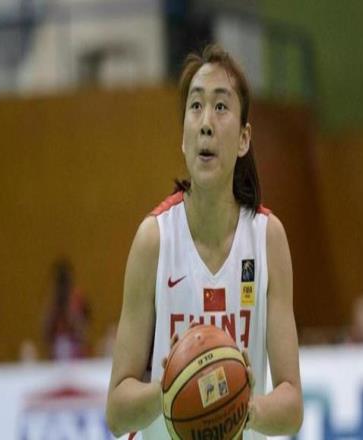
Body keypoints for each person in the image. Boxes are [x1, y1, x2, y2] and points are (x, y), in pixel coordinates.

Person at [106, 44, 303, 439]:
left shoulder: (267, 239)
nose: (206, 123)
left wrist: (243, 407)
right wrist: (172, 389)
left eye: (221, 106)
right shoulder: (154, 240)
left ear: (244, 138)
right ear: (183, 138)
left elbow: (292, 404)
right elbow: (116, 411)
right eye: (195, 107)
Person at [42, 258, 91, 360]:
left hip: (76, 348)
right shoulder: (53, 301)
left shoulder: (77, 298)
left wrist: (71, 315)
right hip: (57, 351)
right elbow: (46, 330)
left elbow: (84, 325)